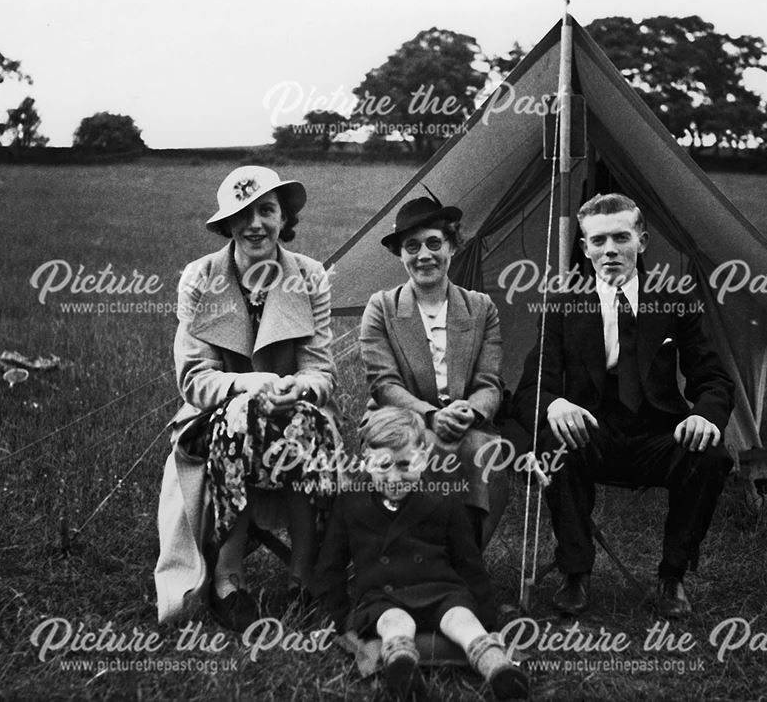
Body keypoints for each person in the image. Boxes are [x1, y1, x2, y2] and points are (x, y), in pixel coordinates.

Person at [514, 192, 734, 618]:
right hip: (592, 432)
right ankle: (575, 572)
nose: (609, 250)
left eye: (620, 237)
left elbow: (713, 377)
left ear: (643, 241)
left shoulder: (675, 301)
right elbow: (529, 389)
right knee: (555, 442)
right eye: (597, 241)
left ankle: (673, 576)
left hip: (658, 434)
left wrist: (707, 415)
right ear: (584, 248)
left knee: (710, 456)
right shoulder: (562, 306)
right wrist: (555, 403)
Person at [155, 165, 339, 629]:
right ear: (227, 223)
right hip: (217, 417)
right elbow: (194, 378)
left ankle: (302, 575)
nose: (255, 223)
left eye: (266, 211)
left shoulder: (311, 276)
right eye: (242, 213)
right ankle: (228, 579)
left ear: (283, 219)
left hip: (294, 409)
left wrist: (298, 387)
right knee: (239, 418)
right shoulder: (200, 278)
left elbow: (321, 369)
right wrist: (246, 386)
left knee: (305, 423)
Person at [313, 407, 529, 701]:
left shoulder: (443, 499)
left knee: (462, 618)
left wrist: (485, 613)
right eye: (384, 466)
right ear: (366, 462)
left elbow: (468, 562)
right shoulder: (352, 503)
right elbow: (332, 564)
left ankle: (499, 669)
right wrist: (336, 617)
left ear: (423, 458)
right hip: (383, 596)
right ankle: (402, 669)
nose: (394, 477)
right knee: (394, 621)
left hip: (440, 589)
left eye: (404, 465)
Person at [359, 196, 508, 548]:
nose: (424, 255)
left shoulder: (480, 308)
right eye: (412, 246)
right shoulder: (382, 307)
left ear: (452, 247)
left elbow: (489, 382)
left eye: (434, 243)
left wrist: (468, 410)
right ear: (401, 254)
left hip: (463, 422)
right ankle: (417, 559)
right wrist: (430, 414)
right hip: (399, 421)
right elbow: (384, 384)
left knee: (483, 453)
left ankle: (466, 562)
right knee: (433, 448)